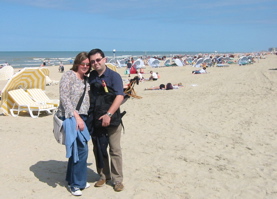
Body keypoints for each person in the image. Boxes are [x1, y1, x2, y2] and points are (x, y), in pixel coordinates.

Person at [87, 48, 125, 192]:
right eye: (92, 61)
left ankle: (117, 180)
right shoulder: (91, 76)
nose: (96, 63)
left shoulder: (113, 76)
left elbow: (120, 96)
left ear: (104, 59)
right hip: (96, 119)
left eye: (98, 60)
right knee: (99, 148)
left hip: (112, 119)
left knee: (115, 150)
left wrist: (108, 114)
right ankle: (103, 175)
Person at [56, 52, 91, 196]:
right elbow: (64, 97)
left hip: (82, 116)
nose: (85, 66)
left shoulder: (86, 79)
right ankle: (76, 184)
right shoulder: (69, 76)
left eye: (88, 64)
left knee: (77, 149)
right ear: (77, 63)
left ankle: (72, 179)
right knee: (81, 150)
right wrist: (77, 117)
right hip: (71, 117)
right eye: (83, 64)